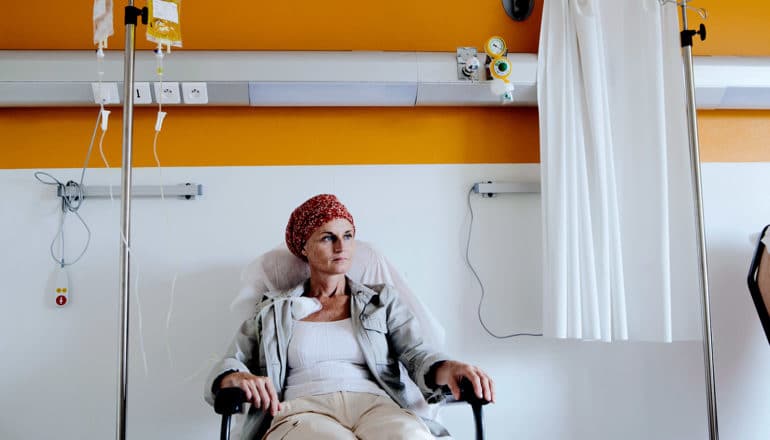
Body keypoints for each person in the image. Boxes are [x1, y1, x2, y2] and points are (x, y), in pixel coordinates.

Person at [205, 194, 495, 439]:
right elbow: (230, 362)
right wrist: (235, 376)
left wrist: (451, 367)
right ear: (304, 247)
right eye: (328, 238)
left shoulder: (381, 301)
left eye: (348, 236)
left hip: (377, 406)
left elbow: (418, 355)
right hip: (304, 410)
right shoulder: (273, 309)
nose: (341, 247)